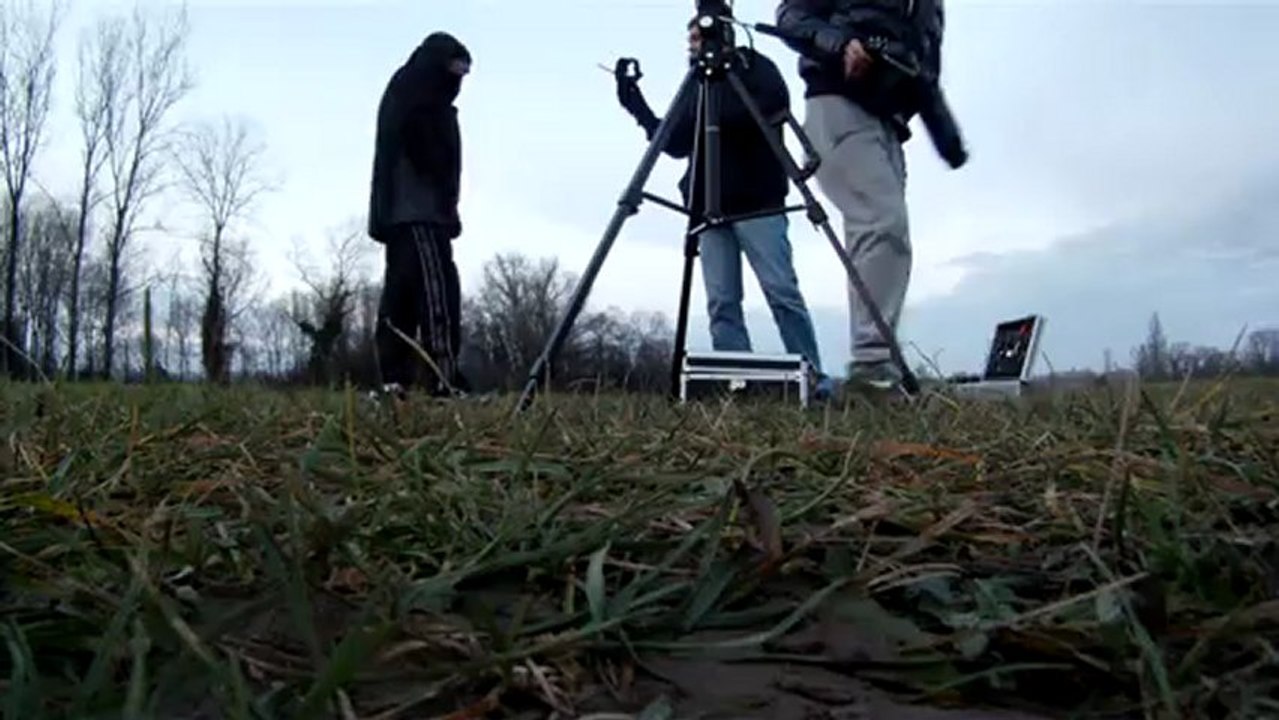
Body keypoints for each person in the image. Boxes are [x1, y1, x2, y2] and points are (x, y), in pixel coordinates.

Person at [614, 15, 835, 400]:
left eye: (700, 36)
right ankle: (739, 383)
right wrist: (636, 105)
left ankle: (813, 378)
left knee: (781, 291)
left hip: (758, 201)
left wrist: (714, 99)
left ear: (723, 33)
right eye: (691, 40)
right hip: (707, 205)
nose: (695, 45)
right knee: (722, 302)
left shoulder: (753, 67)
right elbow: (676, 142)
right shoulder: (697, 85)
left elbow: (770, 104)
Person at [774, 0, 948, 391]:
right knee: (882, 222)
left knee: (884, 238)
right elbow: (792, 16)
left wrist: (946, 135)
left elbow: (925, 76)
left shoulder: (931, 8)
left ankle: (877, 364)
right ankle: (872, 370)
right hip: (838, 100)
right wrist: (841, 43)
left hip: (890, 122)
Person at [368, 32, 473, 399]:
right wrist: (444, 197)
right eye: (457, 69)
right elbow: (431, 156)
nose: (459, 81)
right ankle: (442, 380)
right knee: (436, 292)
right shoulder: (420, 95)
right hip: (421, 213)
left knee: (400, 296)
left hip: (401, 215)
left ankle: (393, 382)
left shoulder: (405, 92)